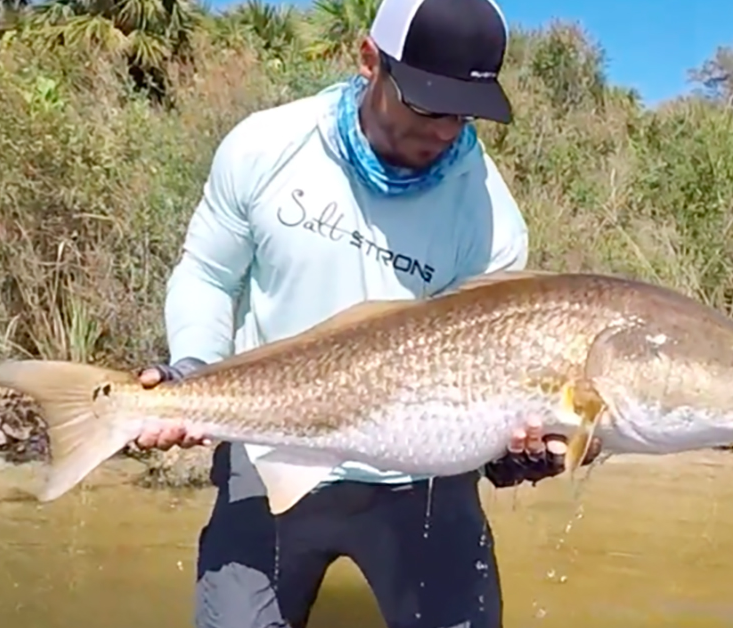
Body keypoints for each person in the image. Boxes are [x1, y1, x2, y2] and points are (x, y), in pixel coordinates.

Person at [132, 0, 602, 626]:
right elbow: (208, 276)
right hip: (269, 445)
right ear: (369, 61)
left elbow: (485, 383)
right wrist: (193, 367)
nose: (443, 131)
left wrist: (517, 455)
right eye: (427, 103)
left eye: (463, 113)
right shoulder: (264, 147)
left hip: (422, 482)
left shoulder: (491, 219)